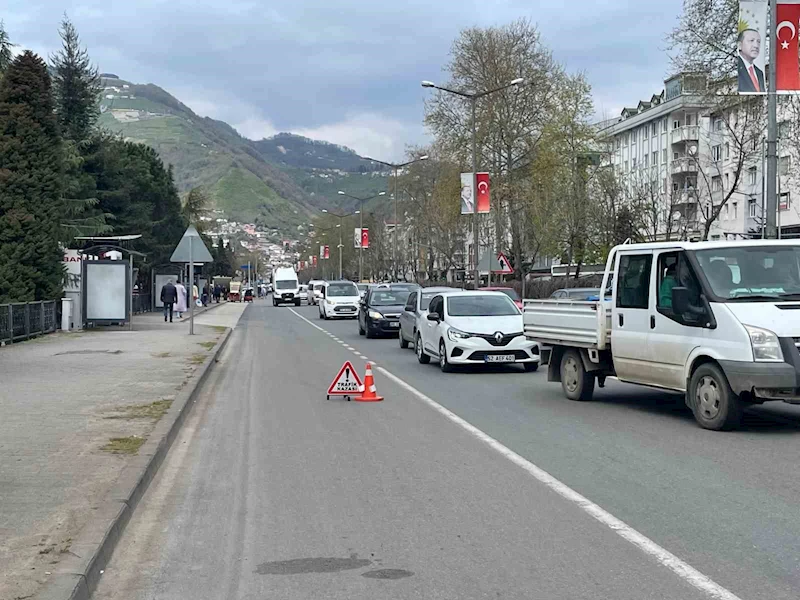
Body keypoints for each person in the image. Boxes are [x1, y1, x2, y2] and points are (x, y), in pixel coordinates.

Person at [737, 28, 765, 93]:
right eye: (751, 40)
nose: (756, 45)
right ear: (740, 45)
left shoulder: (759, 73)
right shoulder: (736, 67)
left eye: (758, 42)